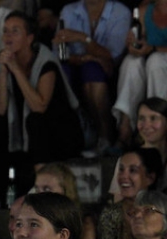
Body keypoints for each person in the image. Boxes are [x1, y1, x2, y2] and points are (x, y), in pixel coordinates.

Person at [0, 11, 83, 201]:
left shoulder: (46, 63)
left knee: (35, 120)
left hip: (58, 133)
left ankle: (41, 186)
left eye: (15, 31)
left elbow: (39, 106)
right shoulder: (2, 64)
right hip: (22, 134)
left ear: (29, 38)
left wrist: (16, 69)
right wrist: (3, 75)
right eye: (5, 31)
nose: (8, 36)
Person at [112, 0, 167, 146]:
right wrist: (134, 44)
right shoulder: (144, 10)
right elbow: (139, 42)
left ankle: (159, 133)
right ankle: (125, 128)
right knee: (132, 61)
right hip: (151, 76)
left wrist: (153, 49)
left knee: (158, 59)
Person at [55, 0, 130, 148]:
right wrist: (86, 58)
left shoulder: (120, 12)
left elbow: (112, 55)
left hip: (110, 71)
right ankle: (73, 136)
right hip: (75, 64)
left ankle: (105, 135)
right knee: (61, 72)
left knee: (92, 70)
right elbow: (58, 53)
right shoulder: (68, 11)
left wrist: (83, 38)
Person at [98, 148, 160, 239]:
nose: (123, 176)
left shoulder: (162, 212)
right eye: (121, 170)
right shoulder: (110, 214)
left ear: (150, 178)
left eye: (133, 170)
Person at [34, 163, 97, 239]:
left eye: (47, 189)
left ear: (65, 191)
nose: (39, 195)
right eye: (37, 189)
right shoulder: (35, 219)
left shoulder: (85, 222)